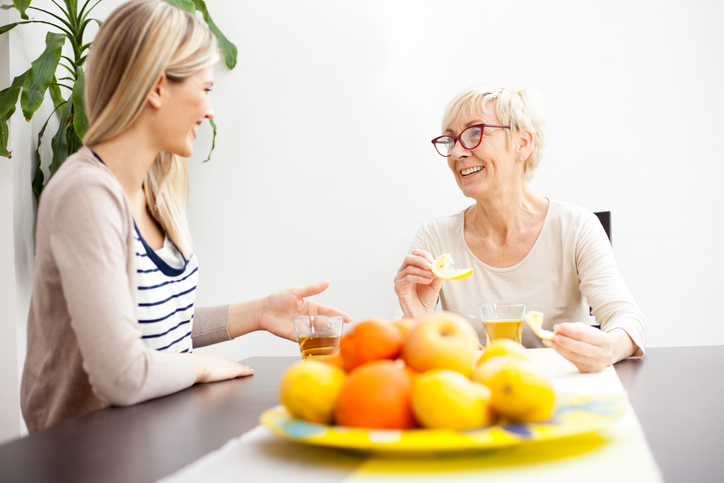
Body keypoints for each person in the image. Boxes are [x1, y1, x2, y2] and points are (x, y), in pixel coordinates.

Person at [20, 0, 350, 432]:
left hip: (154, 436)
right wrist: (201, 366)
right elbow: (121, 374)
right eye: (206, 88)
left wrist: (259, 314)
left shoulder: (156, 190)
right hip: (86, 457)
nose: (210, 110)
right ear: (158, 88)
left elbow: (152, 324)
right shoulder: (86, 194)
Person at [393, 84, 646, 373]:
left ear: (522, 144)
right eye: (451, 140)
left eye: (475, 133)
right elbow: (396, 351)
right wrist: (415, 317)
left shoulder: (576, 226)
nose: (458, 152)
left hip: (561, 394)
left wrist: (609, 348)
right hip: (473, 398)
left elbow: (627, 317)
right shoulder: (436, 237)